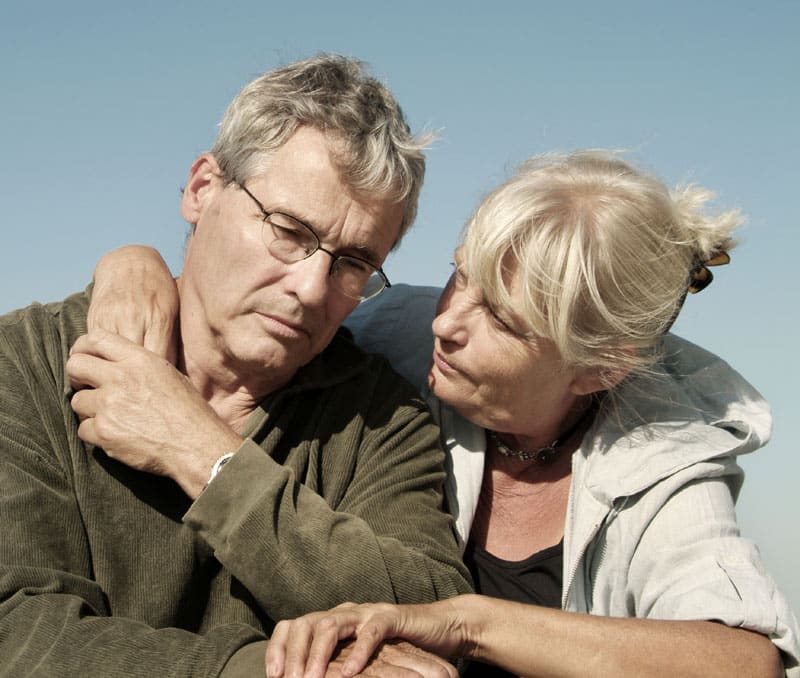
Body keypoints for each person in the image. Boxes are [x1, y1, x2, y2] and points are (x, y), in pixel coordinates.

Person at [96, 151, 800, 677]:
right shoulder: (400, 331)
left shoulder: (661, 461)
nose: (448, 323)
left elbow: (742, 663)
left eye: (502, 318)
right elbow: (262, 304)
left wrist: (464, 623)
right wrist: (133, 262)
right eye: (462, 274)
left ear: (598, 367)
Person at [0, 54, 473, 677]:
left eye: (353, 262)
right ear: (202, 189)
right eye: (289, 231)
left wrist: (204, 455)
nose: (310, 287)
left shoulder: (382, 419)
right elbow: (18, 628)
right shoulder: (26, 361)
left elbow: (433, 614)